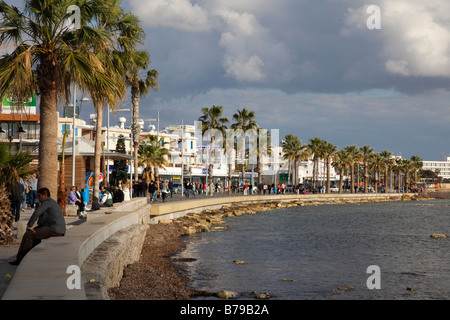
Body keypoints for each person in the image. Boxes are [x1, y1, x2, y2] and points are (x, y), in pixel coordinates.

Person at [9, 188, 66, 265]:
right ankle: (31, 256)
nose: (38, 198)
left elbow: (37, 213)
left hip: (55, 230)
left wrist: (29, 225)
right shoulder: (51, 202)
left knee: (28, 235)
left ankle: (20, 259)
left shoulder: (47, 202)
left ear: (45, 195)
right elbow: (42, 218)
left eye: (39, 196)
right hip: (56, 228)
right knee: (34, 233)